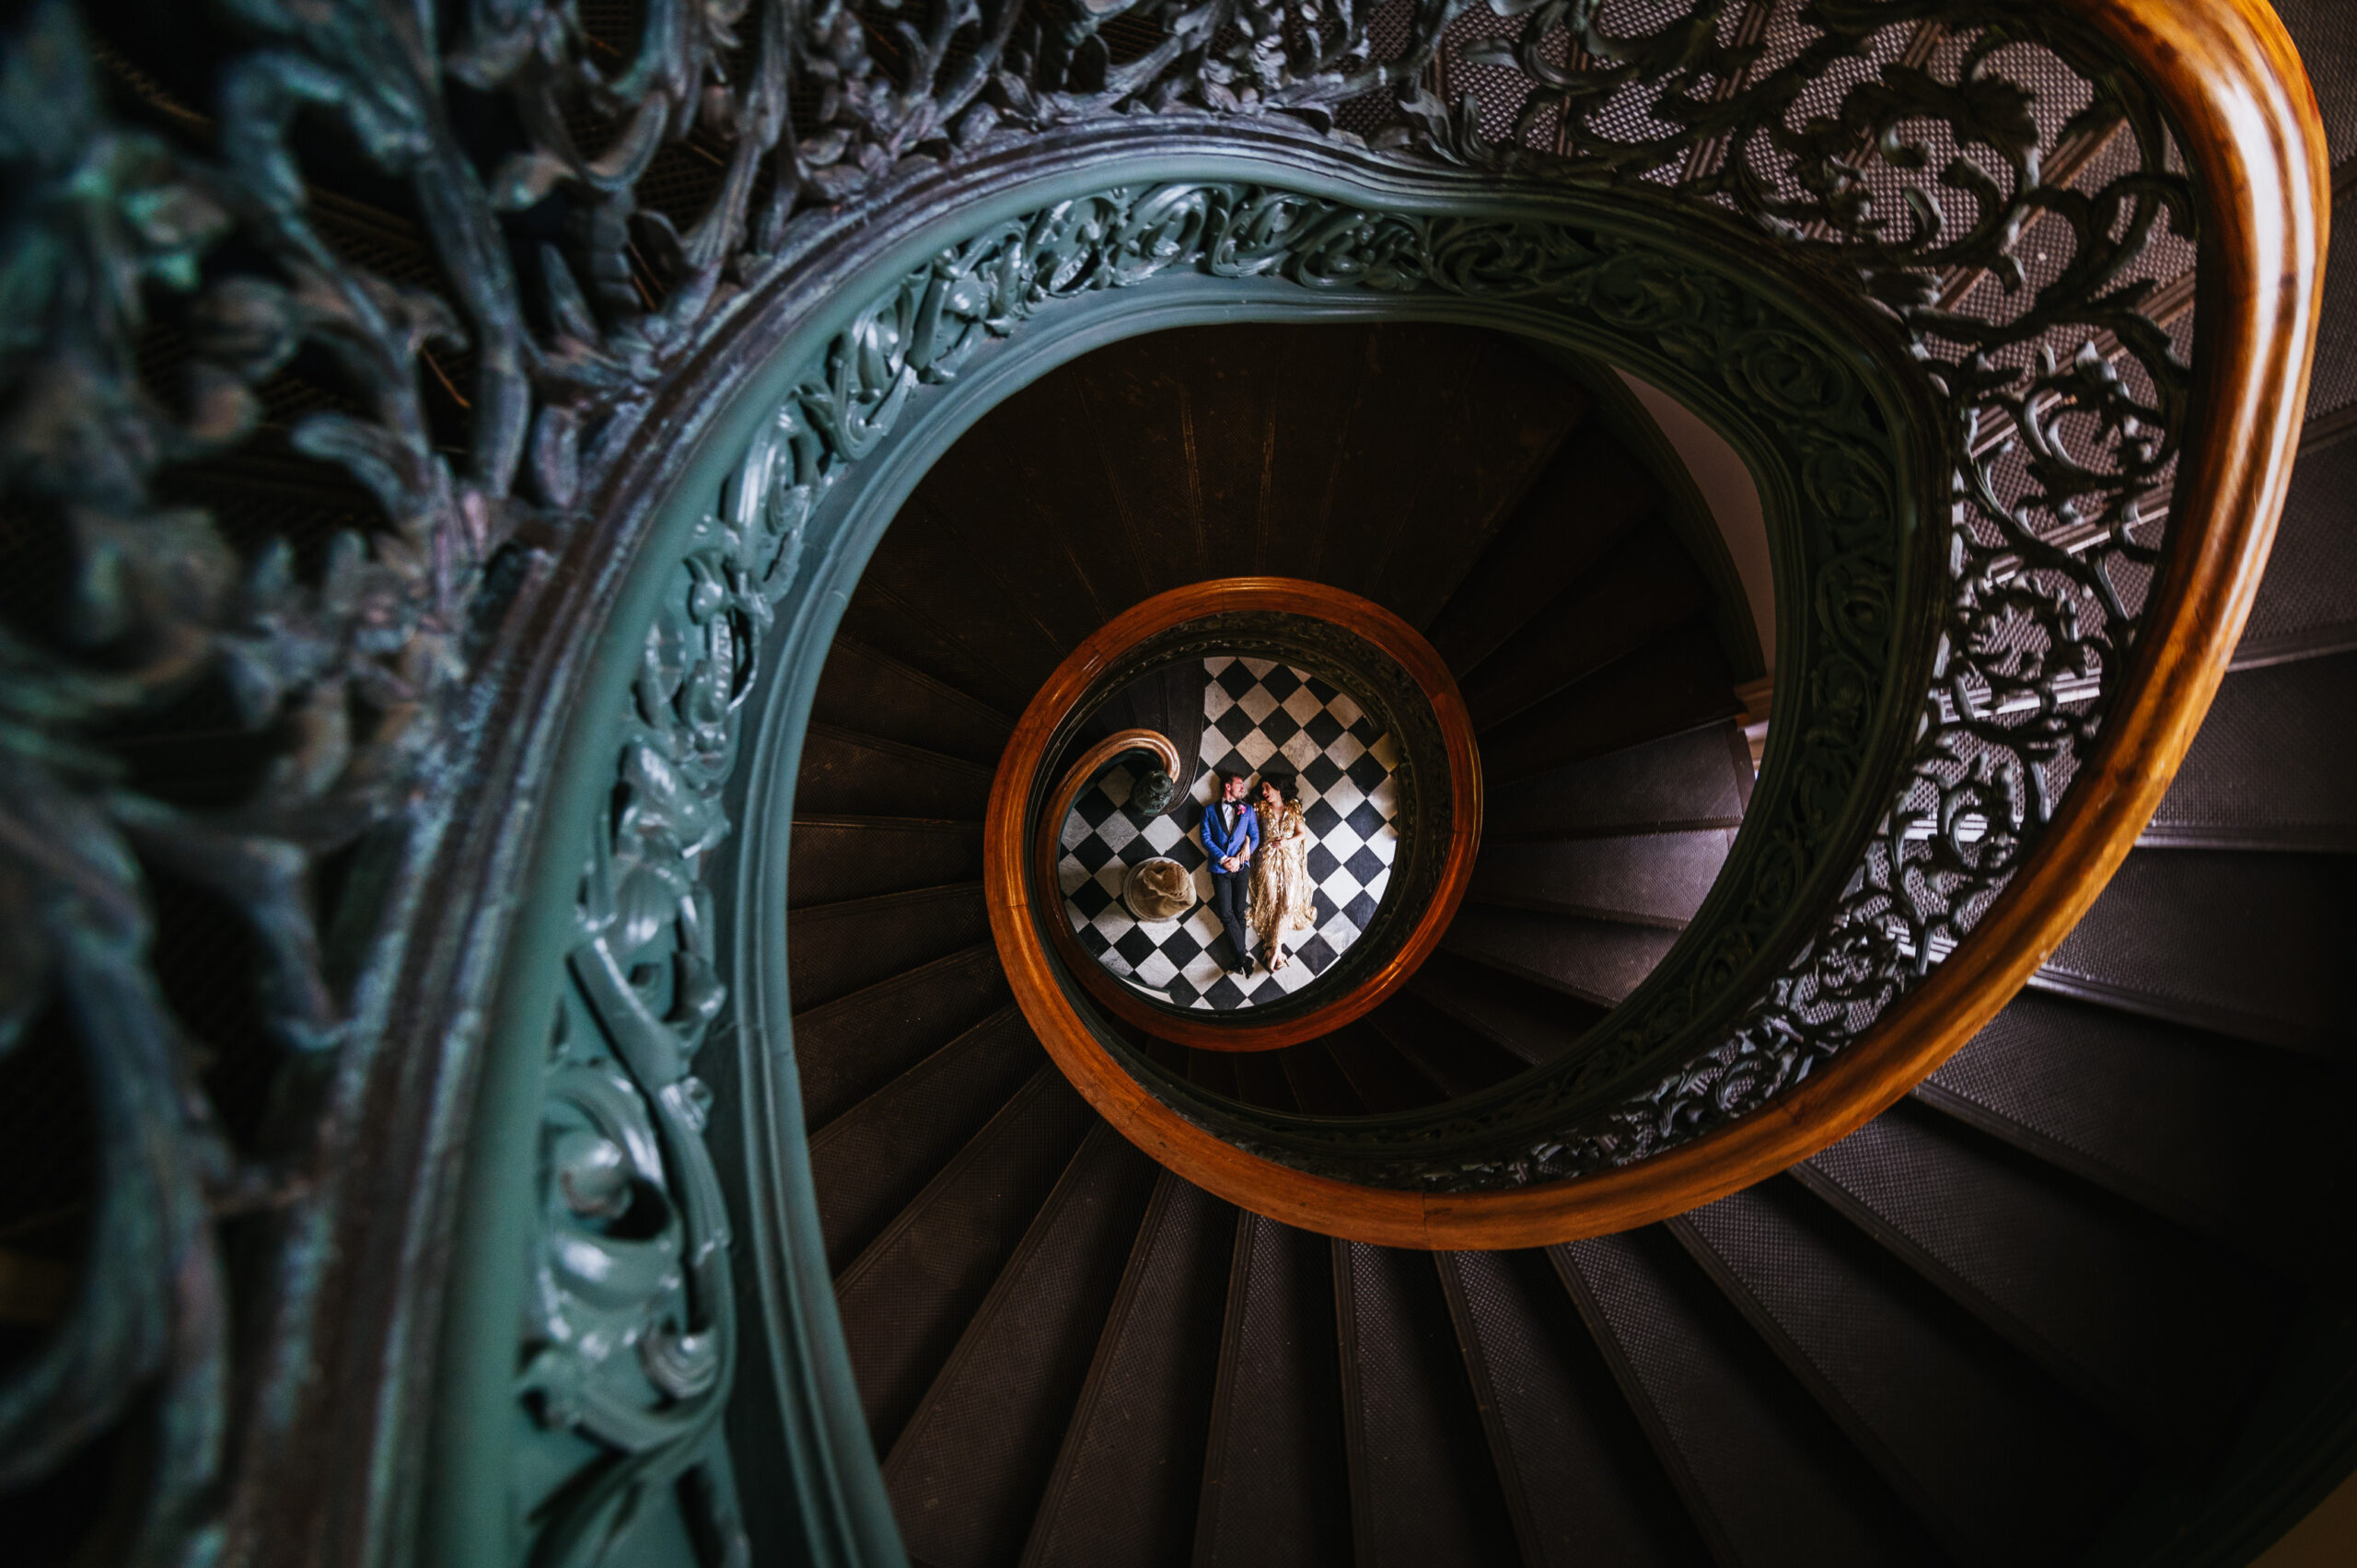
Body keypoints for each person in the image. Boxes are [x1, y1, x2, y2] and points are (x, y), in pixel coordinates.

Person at [1197, 770, 1260, 975]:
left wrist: (1244, 851)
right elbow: (1206, 839)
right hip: (1220, 867)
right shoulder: (1208, 811)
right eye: (1240, 784)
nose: (1243, 788)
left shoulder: (1248, 810)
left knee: (1239, 912)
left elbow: (1255, 836)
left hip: (1241, 867)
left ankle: (1238, 959)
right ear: (1228, 786)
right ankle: (1242, 958)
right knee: (1226, 913)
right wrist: (1225, 860)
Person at [1249, 778, 1316, 971]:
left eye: (1267, 787)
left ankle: (1274, 949)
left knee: (1287, 904)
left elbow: (1301, 834)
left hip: (1290, 859)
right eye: (1262, 789)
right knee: (1271, 902)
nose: (1264, 792)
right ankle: (1276, 951)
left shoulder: (1293, 807)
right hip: (1267, 859)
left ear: (1278, 789)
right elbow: (1250, 829)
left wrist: (1286, 842)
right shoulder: (1260, 808)